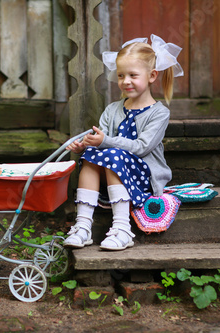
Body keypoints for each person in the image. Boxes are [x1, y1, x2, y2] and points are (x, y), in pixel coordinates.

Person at [63, 35, 184, 251]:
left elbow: (141, 147)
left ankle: (122, 228)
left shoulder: (159, 113)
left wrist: (105, 141)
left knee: (113, 155)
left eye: (132, 75)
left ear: (152, 76)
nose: (125, 81)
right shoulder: (112, 110)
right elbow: (102, 143)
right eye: (121, 75)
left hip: (144, 176)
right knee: (91, 156)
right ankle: (83, 226)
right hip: (114, 172)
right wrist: (86, 144)